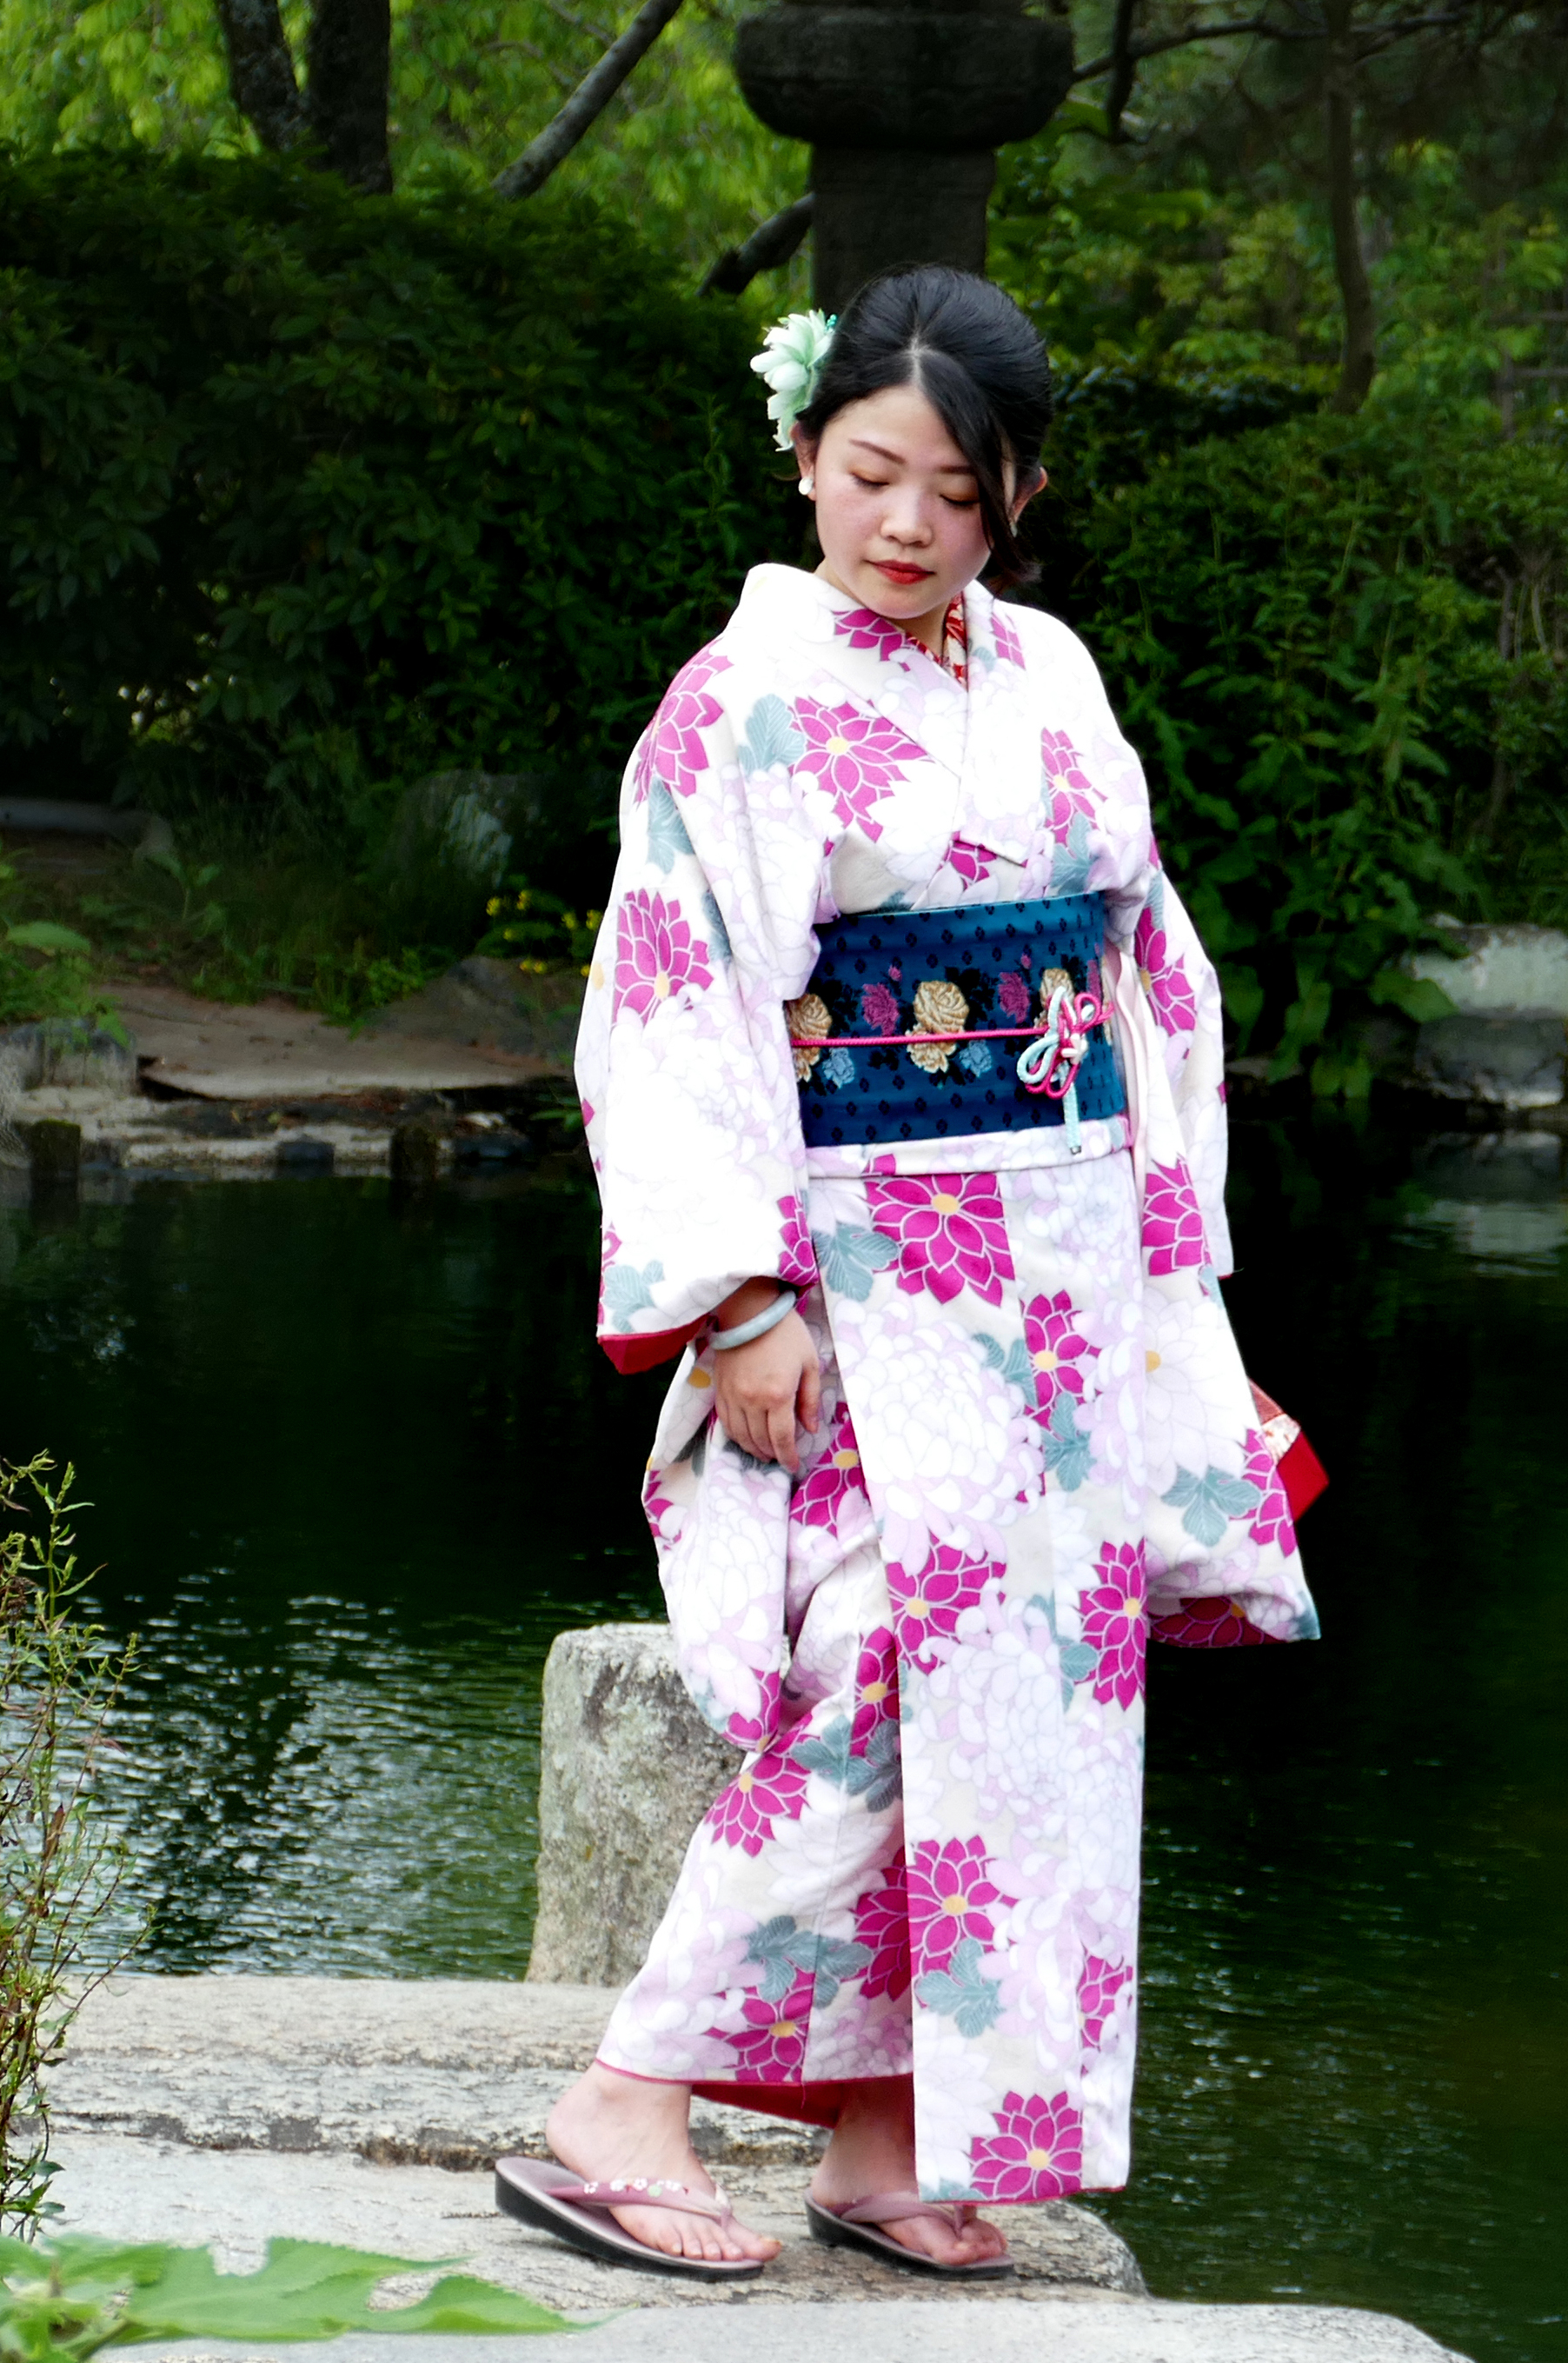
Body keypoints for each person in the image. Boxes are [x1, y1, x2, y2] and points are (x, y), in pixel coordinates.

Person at [495, 266, 1318, 2281]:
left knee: (1032, 1694)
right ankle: (620, 2101)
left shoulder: (1050, 675)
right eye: (871, 473)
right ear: (802, 456)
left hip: (1057, 1264)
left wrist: (1161, 1268)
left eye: (956, 489)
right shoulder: (741, 705)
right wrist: (739, 1300)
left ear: (1015, 494)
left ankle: (889, 2135)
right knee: (876, 1672)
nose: (906, 525)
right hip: (858, 1265)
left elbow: (1143, 968)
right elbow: (673, 1005)